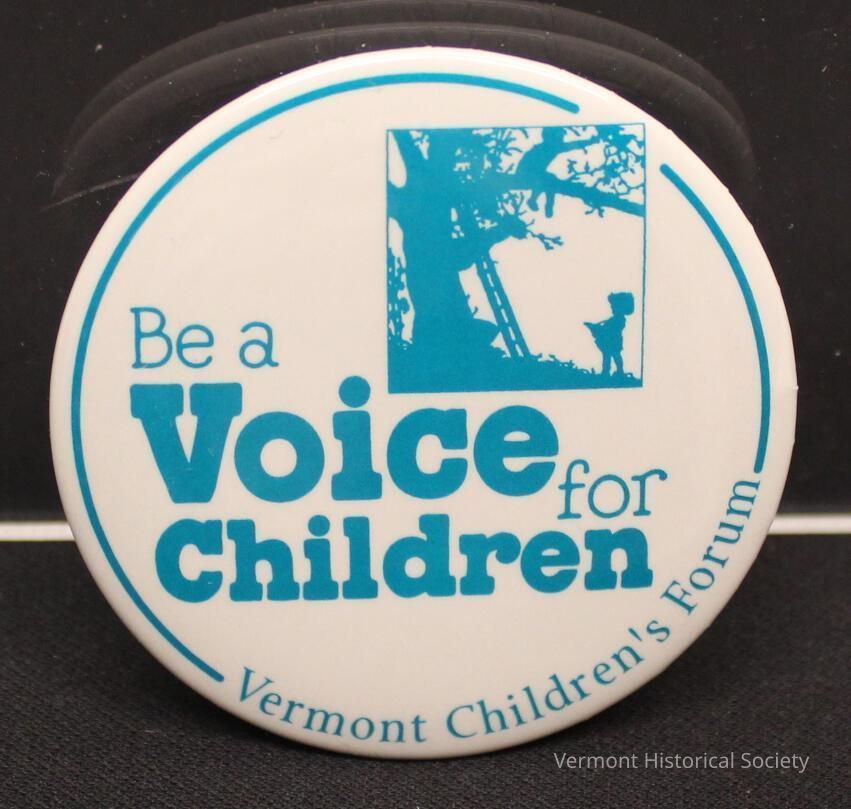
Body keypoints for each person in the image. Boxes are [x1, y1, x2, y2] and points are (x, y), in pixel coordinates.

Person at [584, 292, 634, 377]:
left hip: (614, 341)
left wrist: (597, 328)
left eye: (613, 306)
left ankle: (618, 371)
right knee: (608, 356)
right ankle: (607, 371)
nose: (611, 307)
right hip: (612, 341)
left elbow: (610, 329)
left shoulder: (619, 319)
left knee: (615, 356)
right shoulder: (615, 319)